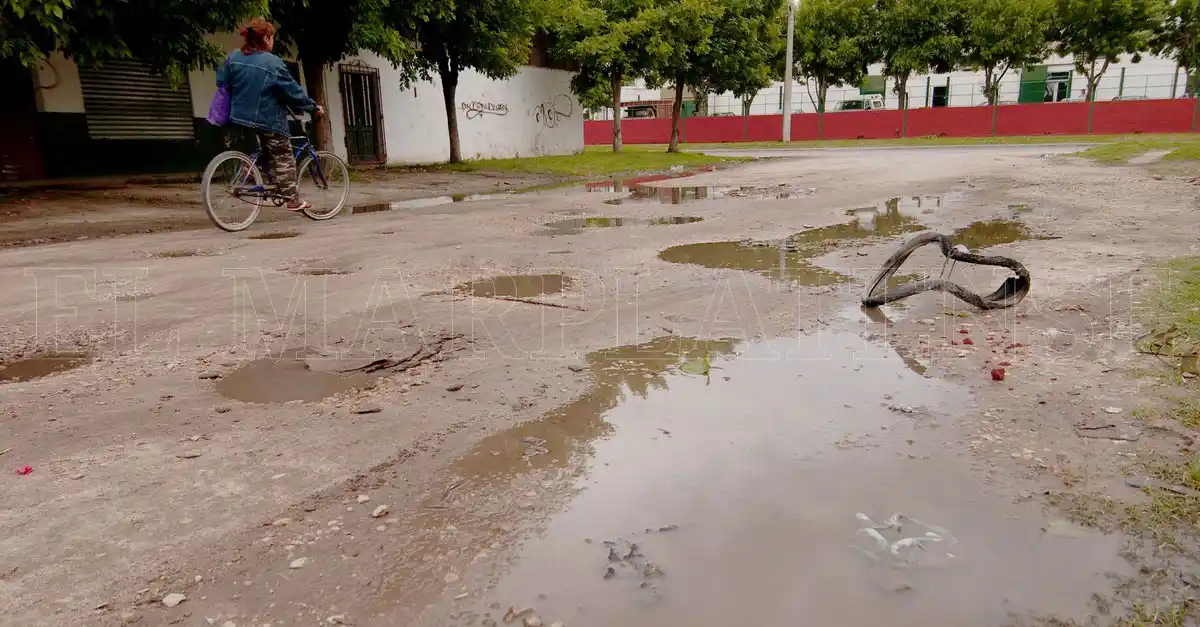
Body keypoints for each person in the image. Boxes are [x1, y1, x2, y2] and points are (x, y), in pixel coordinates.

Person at [216, 19, 324, 211]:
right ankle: (292, 199)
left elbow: (222, 82)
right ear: (266, 38)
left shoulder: (233, 57)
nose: (272, 41)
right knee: (283, 155)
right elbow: (294, 92)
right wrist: (313, 107)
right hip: (267, 120)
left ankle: (251, 171)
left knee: (260, 149)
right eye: (272, 37)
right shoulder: (273, 63)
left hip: (237, 118)